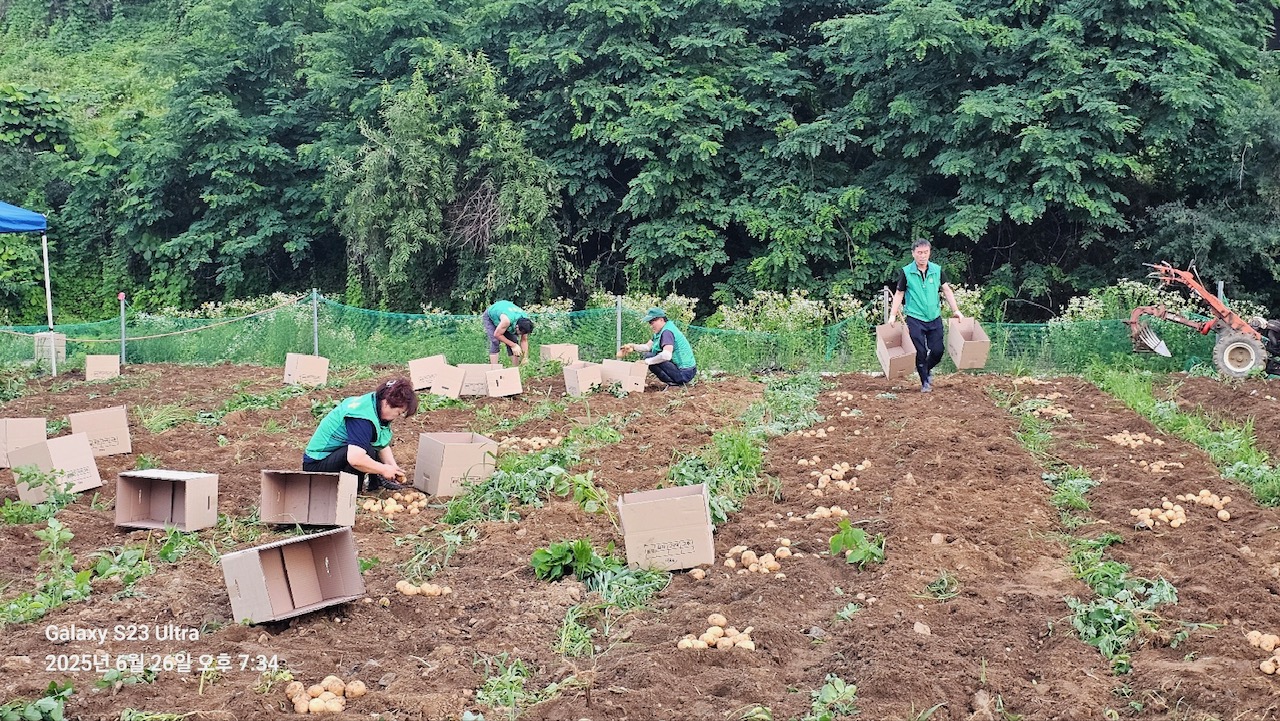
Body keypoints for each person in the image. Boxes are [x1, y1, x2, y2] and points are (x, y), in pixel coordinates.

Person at [303, 377, 419, 491]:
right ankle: (351, 492)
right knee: (364, 450)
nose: (397, 417)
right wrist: (383, 469)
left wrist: (393, 468)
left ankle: (374, 484)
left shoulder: (373, 404)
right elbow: (355, 459)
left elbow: (381, 444)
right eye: (398, 413)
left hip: (333, 455)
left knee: (369, 446)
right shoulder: (362, 418)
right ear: (387, 403)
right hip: (316, 467)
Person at [888, 239, 964, 392]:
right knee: (920, 351)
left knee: (938, 350)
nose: (922, 256)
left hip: (934, 317)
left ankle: (925, 369)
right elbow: (899, 293)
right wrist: (893, 314)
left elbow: (947, 290)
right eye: (919, 253)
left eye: (926, 252)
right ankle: (925, 383)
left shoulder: (937, 270)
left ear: (930, 253)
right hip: (915, 317)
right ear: (913, 254)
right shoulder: (906, 272)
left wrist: (956, 310)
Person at [619, 307, 697, 388]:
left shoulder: (667, 332)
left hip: (685, 373)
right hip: (688, 371)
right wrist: (633, 346)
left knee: (650, 357)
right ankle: (674, 381)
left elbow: (667, 355)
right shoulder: (662, 331)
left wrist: (647, 362)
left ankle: (675, 382)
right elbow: (647, 347)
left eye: (652, 322)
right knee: (649, 355)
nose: (651, 326)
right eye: (650, 323)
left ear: (661, 320)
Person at [484, 300, 534, 365]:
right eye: (520, 333)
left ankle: (515, 368)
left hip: (506, 315)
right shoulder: (506, 320)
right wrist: (513, 345)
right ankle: (494, 368)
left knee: (513, 340)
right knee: (495, 341)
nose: (520, 335)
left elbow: (524, 340)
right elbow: (497, 334)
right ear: (517, 327)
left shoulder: (525, 323)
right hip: (491, 316)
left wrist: (525, 357)